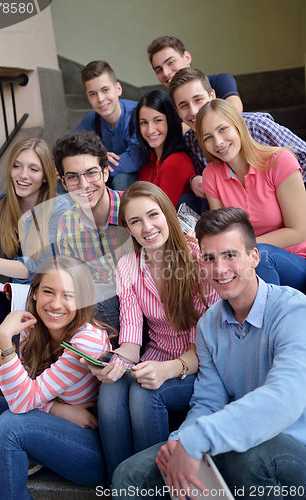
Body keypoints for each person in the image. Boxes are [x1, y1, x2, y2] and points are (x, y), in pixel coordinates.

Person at [112, 207, 306, 500]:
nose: (219, 269)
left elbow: (285, 398)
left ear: (254, 257)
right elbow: (207, 401)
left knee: (251, 459)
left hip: (291, 444)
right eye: (209, 258)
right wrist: (178, 442)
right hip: (232, 440)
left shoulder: (292, 309)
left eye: (231, 255)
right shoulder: (208, 325)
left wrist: (196, 440)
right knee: (130, 476)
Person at [84, 182, 219, 481]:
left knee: (145, 393)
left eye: (153, 215)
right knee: (111, 387)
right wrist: (113, 362)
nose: (147, 227)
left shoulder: (199, 258)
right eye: (135, 221)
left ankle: (149, 484)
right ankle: (121, 484)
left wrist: (170, 368)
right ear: (128, 229)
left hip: (200, 365)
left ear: (167, 214)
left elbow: (213, 342)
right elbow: (131, 339)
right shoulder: (128, 265)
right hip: (155, 357)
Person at [0, 255, 111, 499]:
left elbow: (23, 402)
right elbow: (19, 395)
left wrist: (4, 339)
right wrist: (60, 410)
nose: (56, 304)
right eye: (48, 291)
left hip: (92, 451)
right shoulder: (32, 329)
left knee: (10, 426)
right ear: (34, 293)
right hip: (48, 433)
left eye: (68, 295)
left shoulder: (87, 340)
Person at [0, 138, 70, 399]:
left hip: (42, 298)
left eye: (33, 169)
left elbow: (34, 268)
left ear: (46, 177)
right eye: (17, 166)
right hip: (10, 294)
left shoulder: (60, 208)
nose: (23, 175)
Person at [196, 98, 306, 292]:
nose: (218, 142)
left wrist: (244, 247)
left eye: (223, 129)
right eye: (208, 137)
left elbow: (299, 231)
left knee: (261, 257)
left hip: (296, 259)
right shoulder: (211, 175)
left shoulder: (280, 161)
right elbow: (223, 232)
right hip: (245, 261)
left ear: (238, 126)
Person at [169, 67, 306, 212]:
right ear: (177, 112)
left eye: (198, 100)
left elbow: (303, 156)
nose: (193, 111)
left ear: (212, 96)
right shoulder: (190, 141)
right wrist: (192, 181)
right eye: (184, 105)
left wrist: (288, 195)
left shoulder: (254, 125)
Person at [54, 130, 132, 333]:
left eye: (91, 173)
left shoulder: (133, 207)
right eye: (73, 177)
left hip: (145, 304)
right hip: (98, 315)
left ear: (105, 173)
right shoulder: (67, 224)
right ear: (63, 183)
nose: (84, 185)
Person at [73, 60, 146, 190]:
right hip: (101, 174)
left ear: (118, 89)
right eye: (93, 94)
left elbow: (135, 157)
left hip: (136, 175)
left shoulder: (139, 113)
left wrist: (98, 164)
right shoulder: (90, 120)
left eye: (105, 90)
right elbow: (68, 147)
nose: (100, 99)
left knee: (121, 180)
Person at [147, 35, 243, 113]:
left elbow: (234, 112)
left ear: (187, 57)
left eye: (171, 62)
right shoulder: (163, 104)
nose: (166, 73)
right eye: (159, 70)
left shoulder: (220, 81)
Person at [135, 89, 194, 208]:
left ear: (170, 120)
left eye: (158, 120)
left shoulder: (176, 161)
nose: (150, 130)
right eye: (144, 123)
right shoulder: (147, 163)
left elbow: (162, 211)